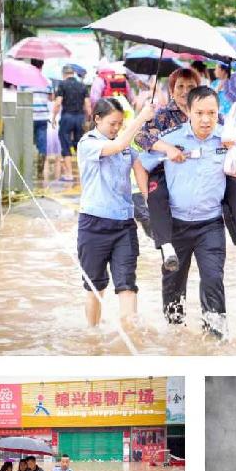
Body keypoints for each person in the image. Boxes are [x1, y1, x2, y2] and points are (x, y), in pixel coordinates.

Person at [135, 68, 236, 270]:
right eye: (180, 86)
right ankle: (165, 245)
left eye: (191, 87)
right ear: (171, 89)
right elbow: (141, 139)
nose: (185, 91)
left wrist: (233, 143)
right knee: (157, 192)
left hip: (207, 180)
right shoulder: (161, 115)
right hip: (169, 173)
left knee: (233, 187)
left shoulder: (213, 115)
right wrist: (167, 148)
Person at [140, 87, 232, 339]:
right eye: (199, 113)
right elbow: (140, 161)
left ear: (217, 113)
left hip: (210, 225)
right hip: (176, 225)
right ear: (188, 112)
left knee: (213, 279)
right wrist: (148, 198)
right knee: (173, 285)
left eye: (211, 113)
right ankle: (175, 336)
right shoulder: (171, 138)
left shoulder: (227, 139)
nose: (205, 119)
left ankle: (215, 335)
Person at [76, 98, 154, 328]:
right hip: (93, 225)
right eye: (112, 123)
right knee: (95, 287)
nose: (116, 128)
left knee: (127, 284)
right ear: (97, 119)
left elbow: (140, 174)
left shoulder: (126, 145)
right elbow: (117, 147)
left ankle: (130, 336)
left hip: (124, 225)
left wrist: (151, 203)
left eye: (120, 123)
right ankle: (93, 336)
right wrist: (140, 118)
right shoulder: (87, 143)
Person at [52, 64, 91, 182]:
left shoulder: (62, 85)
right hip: (80, 118)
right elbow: (88, 105)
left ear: (63, 74)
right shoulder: (82, 86)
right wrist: (89, 119)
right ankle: (83, 173)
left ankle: (69, 174)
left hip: (67, 117)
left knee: (65, 143)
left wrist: (53, 117)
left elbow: (58, 102)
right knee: (80, 144)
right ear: (73, 73)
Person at [19, 59, 54, 180]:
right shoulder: (47, 81)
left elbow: (20, 97)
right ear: (42, 65)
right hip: (43, 117)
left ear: (31, 65)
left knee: (27, 143)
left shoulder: (24, 80)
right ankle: (40, 169)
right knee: (42, 144)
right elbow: (51, 98)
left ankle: (27, 169)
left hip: (28, 116)